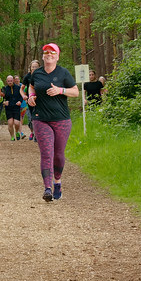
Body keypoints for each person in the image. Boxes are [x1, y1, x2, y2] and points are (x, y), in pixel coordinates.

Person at [28, 43, 79, 202]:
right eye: (46, 52)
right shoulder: (37, 73)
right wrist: (31, 96)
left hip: (61, 119)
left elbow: (76, 92)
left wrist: (60, 90)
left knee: (58, 154)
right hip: (40, 118)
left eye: (52, 52)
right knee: (46, 153)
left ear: (57, 56)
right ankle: (47, 188)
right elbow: (31, 86)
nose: (49, 55)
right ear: (43, 56)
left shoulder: (63, 73)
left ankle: (57, 181)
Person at [22, 60, 40, 141]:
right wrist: (24, 95)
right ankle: (32, 132)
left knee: (38, 117)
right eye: (33, 67)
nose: (34, 68)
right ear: (30, 68)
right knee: (31, 119)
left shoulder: (42, 75)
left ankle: (37, 135)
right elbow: (21, 89)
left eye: (36, 67)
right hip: (30, 100)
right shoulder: (27, 77)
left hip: (40, 100)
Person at [2, 74, 23, 140]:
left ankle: (17, 132)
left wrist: (20, 101)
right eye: (8, 81)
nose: (10, 82)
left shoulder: (18, 88)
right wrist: (4, 102)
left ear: (13, 80)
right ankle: (12, 136)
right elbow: (2, 98)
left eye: (11, 81)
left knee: (16, 123)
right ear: (6, 81)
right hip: (8, 108)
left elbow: (21, 96)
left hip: (16, 107)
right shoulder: (5, 89)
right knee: (10, 123)